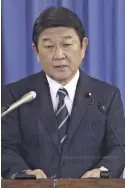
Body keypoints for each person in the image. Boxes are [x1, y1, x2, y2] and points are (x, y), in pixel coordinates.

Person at [1, 6, 125, 179]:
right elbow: (6, 147)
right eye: (49, 46)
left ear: (83, 46)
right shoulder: (17, 95)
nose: (59, 55)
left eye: (67, 44)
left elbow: (119, 147)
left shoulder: (107, 96)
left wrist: (102, 172)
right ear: (36, 51)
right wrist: (25, 174)